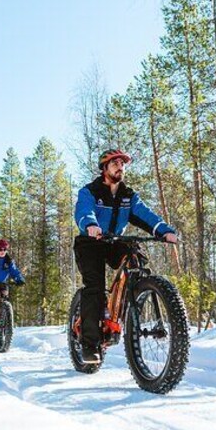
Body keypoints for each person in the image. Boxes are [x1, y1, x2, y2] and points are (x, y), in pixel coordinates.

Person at [73, 149, 178, 364]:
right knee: (94, 286)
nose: (120, 167)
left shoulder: (128, 196)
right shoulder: (90, 191)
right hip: (91, 242)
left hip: (114, 241)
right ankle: (90, 344)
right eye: (115, 163)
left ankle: (135, 295)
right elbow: (84, 211)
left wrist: (164, 231)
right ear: (104, 168)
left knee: (135, 257)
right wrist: (90, 225)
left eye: (123, 163)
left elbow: (145, 215)